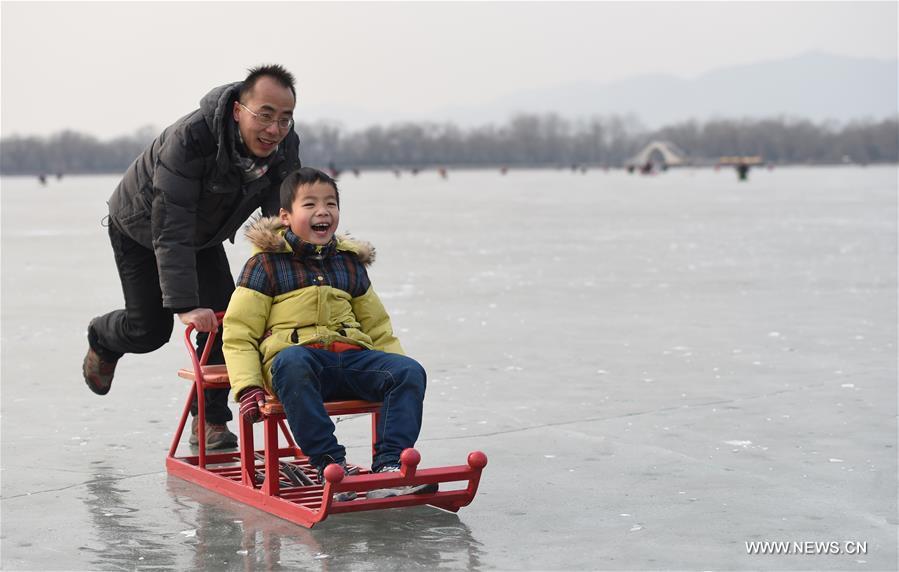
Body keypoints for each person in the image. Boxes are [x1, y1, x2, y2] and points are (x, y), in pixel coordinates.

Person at [83, 64, 302, 449]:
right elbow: (171, 223)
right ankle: (103, 338)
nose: (274, 129)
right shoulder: (191, 140)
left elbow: (283, 211)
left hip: (202, 234)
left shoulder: (284, 144)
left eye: (285, 118)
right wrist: (184, 304)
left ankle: (211, 421)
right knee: (150, 331)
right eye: (264, 115)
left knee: (230, 318)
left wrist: (295, 274)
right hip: (139, 225)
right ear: (238, 110)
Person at [222, 167, 435, 500]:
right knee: (292, 360)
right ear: (286, 216)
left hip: (350, 360)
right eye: (309, 204)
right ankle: (329, 464)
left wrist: (393, 365)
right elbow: (239, 332)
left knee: (408, 370)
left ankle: (390, 466)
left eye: (330, 204)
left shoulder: (348, 264)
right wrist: (248, 385)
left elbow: (377, 327)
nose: (322, 211)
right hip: (300, 366)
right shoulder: (265, 265)